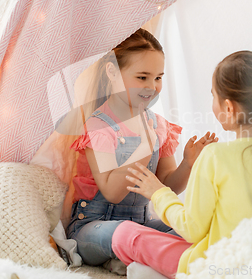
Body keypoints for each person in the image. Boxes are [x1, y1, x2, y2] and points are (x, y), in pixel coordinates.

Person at [111, 51, 252, 278]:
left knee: (124, 234)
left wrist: (158, 192)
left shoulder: (215, 156)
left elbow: (191, 229)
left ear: (229, 108)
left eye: (213, 96)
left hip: (216, 268)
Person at [66, 28, 218, 271]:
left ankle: (200, 256)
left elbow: (166, 184)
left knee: (193, 229)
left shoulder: (159, 125)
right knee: (128, 233)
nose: (152, 86)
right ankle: (200, 267)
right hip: (93, 227)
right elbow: (112, 192)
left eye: (158, 78)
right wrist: (143, 145)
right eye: (142, 77)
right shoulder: (99, 126)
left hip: (141, 222)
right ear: (112, 73)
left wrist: (188, 164)